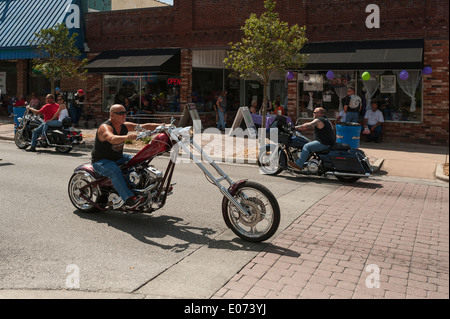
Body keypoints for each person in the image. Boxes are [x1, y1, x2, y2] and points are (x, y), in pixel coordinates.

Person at [91, 104, 161, 209]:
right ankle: (128, 198)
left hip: (118, 157)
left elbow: (145, 126)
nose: (124, 115)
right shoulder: (105, 127)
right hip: (101, 161)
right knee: (115, 171)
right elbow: (111, 138)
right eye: (120, 113)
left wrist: (165, 126)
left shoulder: (124, 125)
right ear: (112, 115)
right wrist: (127, 137)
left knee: (141, 160)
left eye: (125, 112)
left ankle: (152, 188)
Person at [288, 107, 335, 171]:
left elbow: (307, 126)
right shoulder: (326, 120)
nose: (313, 114)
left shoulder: (319, 120)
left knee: (306, 146)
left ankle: (298, 165)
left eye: (314, 112)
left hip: (323, 144)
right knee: (308, 143)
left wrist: (294, 127)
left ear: (320, 113)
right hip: (326, 142)